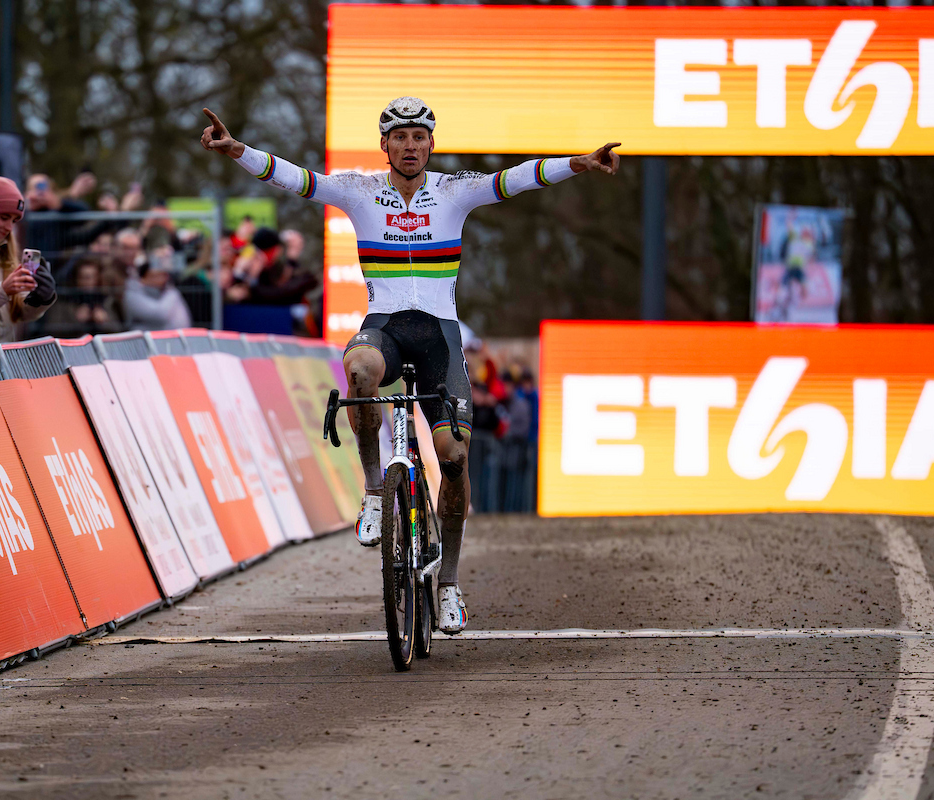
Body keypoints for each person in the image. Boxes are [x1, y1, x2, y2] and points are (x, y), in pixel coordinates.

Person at [200, 98, 620, 633]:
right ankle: (375, 492)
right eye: (399, 137)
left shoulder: (453, 190)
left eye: (419, 137)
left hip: (440, 339)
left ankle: (449, 583)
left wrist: (577, 164)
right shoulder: (359, 191)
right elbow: (297, 179)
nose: (410, 146)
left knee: (454, 459)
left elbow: (515, 179)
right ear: (385, 145)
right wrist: (237, 150)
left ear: (431, 144)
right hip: (387, 329)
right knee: (359, 371)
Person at [0, 177, 57, 342]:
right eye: (4, 217)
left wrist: (41, 298)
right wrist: (3, 290)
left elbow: (18, 312)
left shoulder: (4, 252)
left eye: (14, 221)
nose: (9, 227)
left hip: (1, 354)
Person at [122, 245, 192, 331]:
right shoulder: (133, 292)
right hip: (148, 338)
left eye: (163, 275)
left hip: (175, 337)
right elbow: (159, 314)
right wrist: (172, 293)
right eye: (156, 275)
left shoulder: (164, 291)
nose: (164, 278)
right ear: (143, 278)